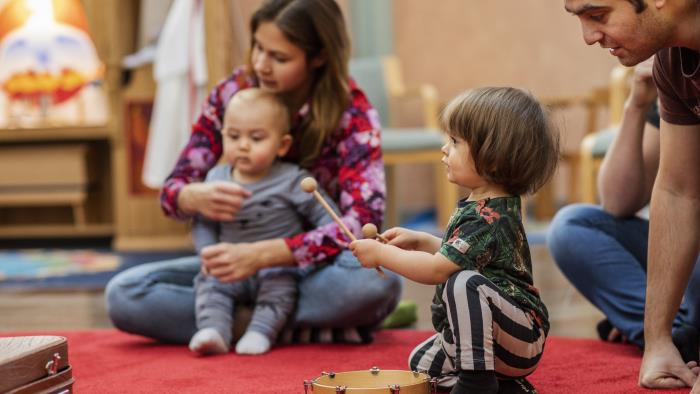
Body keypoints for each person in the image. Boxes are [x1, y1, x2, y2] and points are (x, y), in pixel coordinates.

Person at [105, 0, 401, 348]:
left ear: (319, 57)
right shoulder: (232, 94)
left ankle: (237, 323)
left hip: (311, 270)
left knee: (377, 285)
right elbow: (174, 191)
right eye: (258, 47)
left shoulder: (354, 114)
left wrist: (267, 254)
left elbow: (361, 223)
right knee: (124, 295)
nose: (261, 64)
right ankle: (284, 327)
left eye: (279, 57)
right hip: (230, 271)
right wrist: (191, 196)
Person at [350, 87, 560, 394]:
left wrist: (380, 255)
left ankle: (477, 382)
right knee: (422, 363)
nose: (444, 149)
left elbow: (438, 270)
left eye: (455, 141)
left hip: (521, 334)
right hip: (501, 334)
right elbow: (466, 256)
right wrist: (422, 240)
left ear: (494, 159)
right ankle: (501, 388)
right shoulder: (483, 205)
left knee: (463, 283)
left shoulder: (487, 216)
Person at [564, 0, 700, 390]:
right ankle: (680, 337)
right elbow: (677, 191)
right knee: (574, 226)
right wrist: (657, 341)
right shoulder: (672, 63)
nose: (589, 37)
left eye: (598, 15)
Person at [189, 88, 339, 356]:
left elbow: (329, 220)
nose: (243, 145)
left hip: (277, 267)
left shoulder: (293, 179)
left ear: (282, 145)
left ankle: (261, 330)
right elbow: (204, 222)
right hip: (228, 268)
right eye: (234, 136)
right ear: (222, 135)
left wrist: (299, 258)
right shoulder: (215, 178)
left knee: (279, 292)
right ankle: (215, 330)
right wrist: (207, 253)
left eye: (256, 138)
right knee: (209, 286)